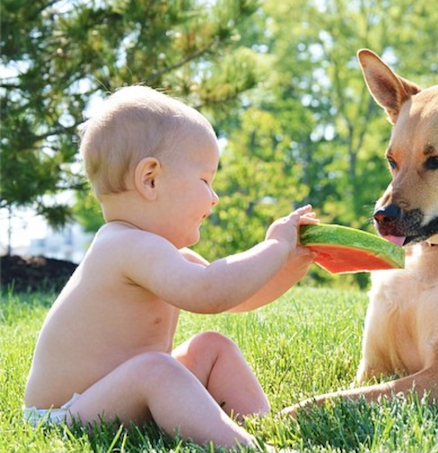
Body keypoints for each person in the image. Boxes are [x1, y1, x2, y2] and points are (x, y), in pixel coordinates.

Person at [23, 86, 318, 450]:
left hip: (121, 396)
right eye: (205, 180)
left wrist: (288, 266)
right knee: (156, 369)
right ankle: (245, 447)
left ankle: (261, 426)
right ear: (150, 179)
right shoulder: (124, 246)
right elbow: (210, 291)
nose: (214, 196)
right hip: (65, 415)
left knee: (212, 346)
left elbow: (234, 296)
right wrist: (274, 245)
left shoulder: (158, 251)